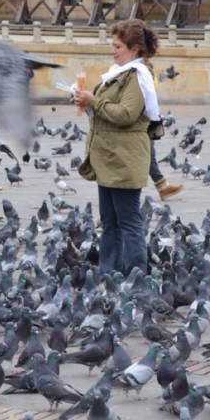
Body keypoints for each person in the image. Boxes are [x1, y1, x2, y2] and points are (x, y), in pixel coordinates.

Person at [72, 18, 159, 276]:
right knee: (110, 222)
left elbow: (126, 114)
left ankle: (135, 277)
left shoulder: (138, 76)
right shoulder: (118, 74)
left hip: (124, 159)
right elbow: (105, 111)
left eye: (117, 46)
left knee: (129, 222)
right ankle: (108, 273)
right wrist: (84, 101)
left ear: (134, 49)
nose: (113, 50)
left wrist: (93, 100)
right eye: (112, 45)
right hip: (109, 158)